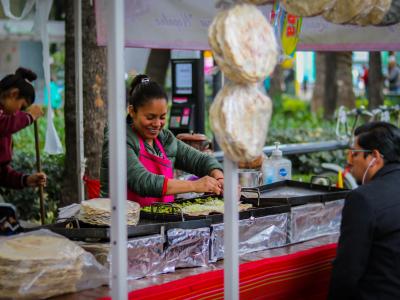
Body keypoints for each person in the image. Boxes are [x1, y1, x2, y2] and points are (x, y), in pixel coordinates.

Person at [100, 75, 224, 206]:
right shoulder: (117, 138)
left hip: (159, 221)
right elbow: (141, 181)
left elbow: (200, 160)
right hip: (122, 221)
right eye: (150, 117)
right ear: (132, 111)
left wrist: (219, 177)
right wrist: (194, 185)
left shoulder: (165, 139)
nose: (157, 124)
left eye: (162, 117)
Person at [329, 121, 400, 299]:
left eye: (354, 153)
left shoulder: (363, 199)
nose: (349, 160)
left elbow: (347, 272)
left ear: (374, 157)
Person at [0, 67, 46, 190]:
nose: (18, 113)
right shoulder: (4, 123)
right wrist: (29, 117)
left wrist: (26, 180)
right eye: (21, 107)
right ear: (13, 94)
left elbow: (1, 172)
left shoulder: (5, 122)